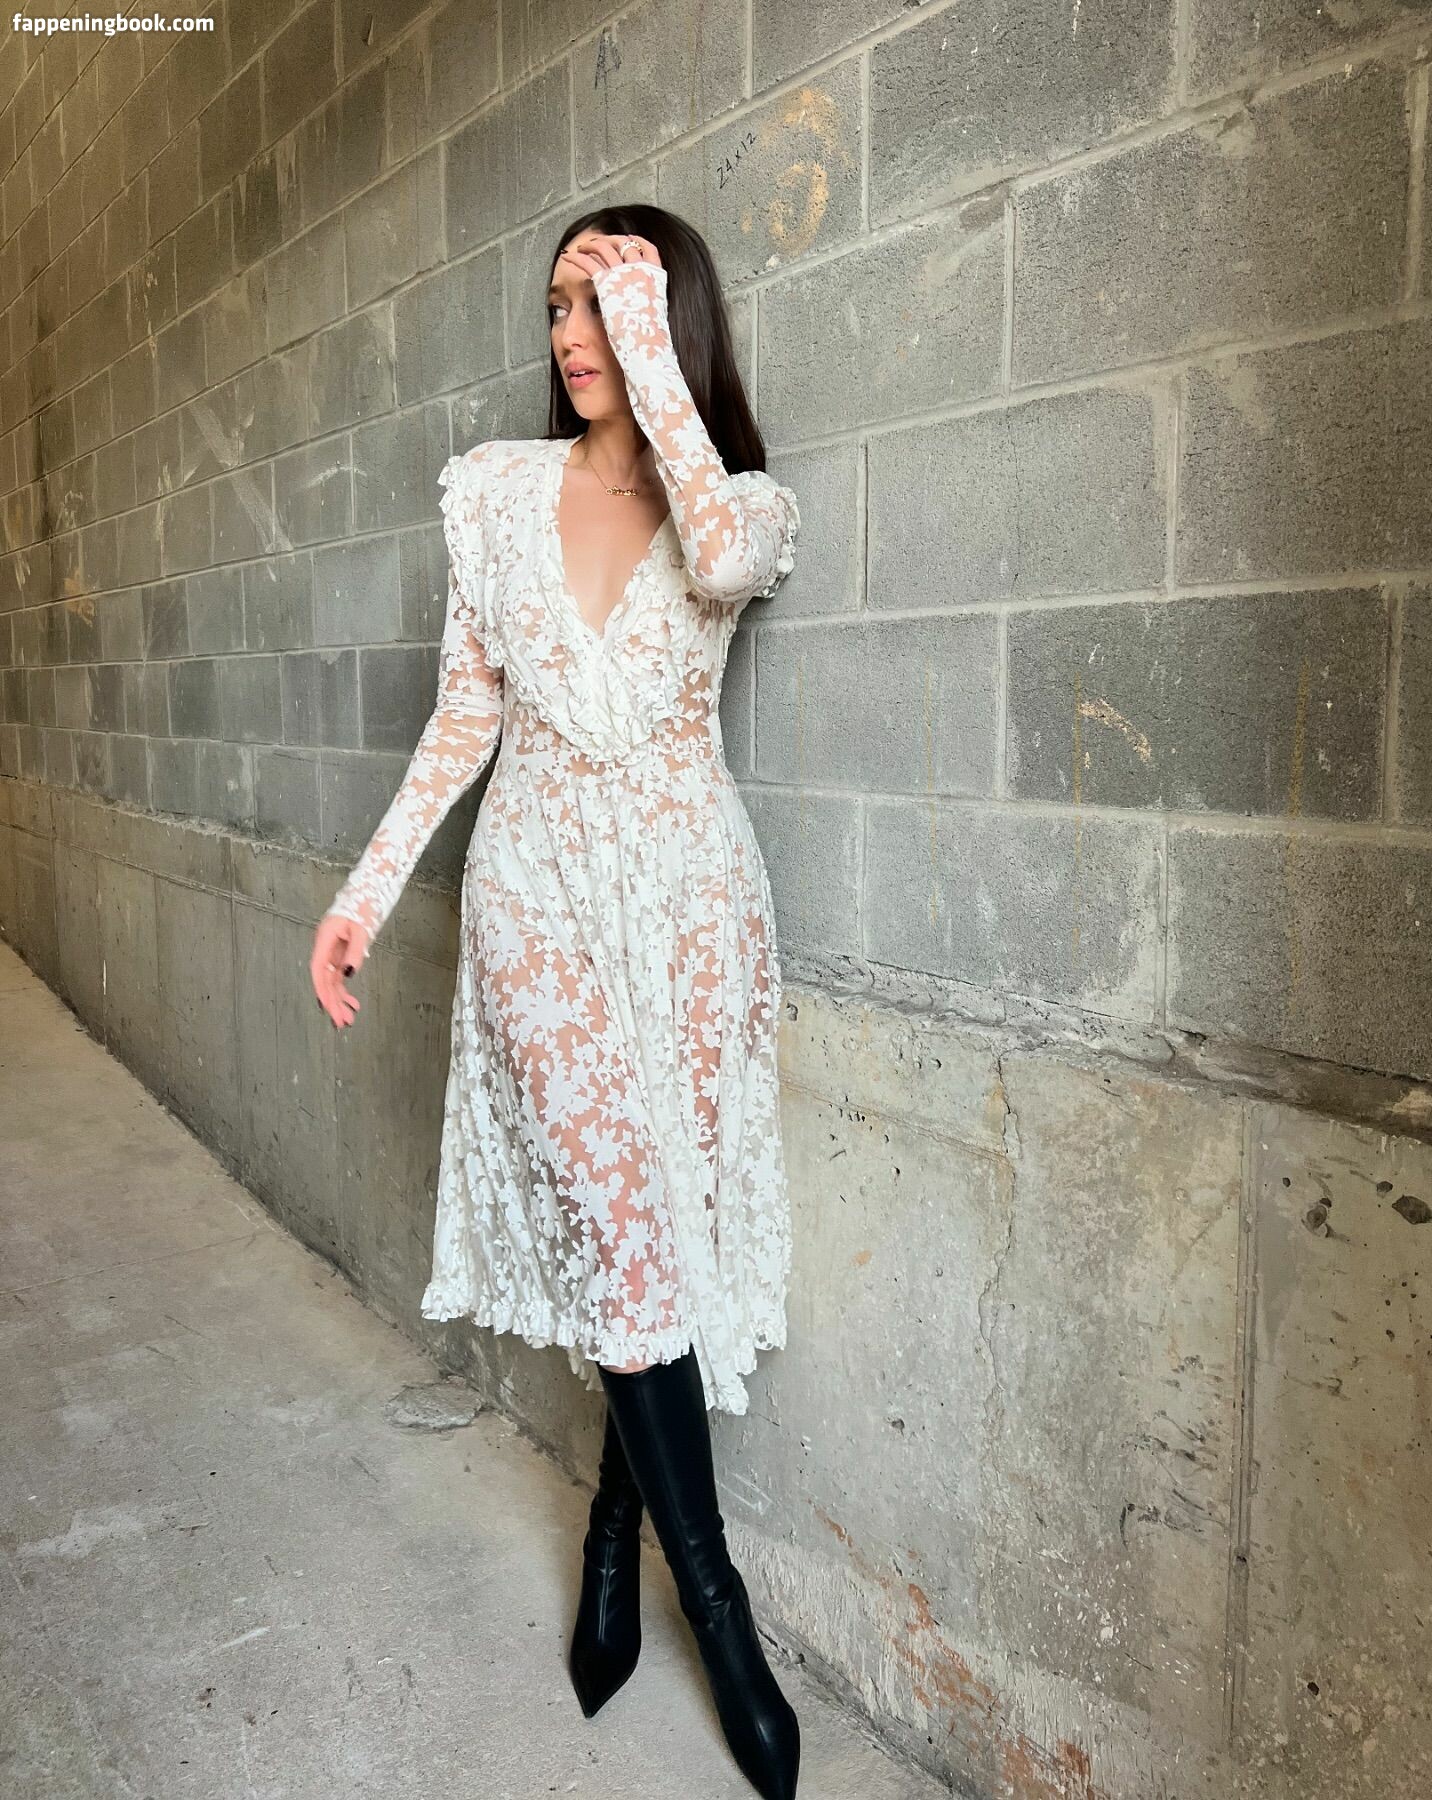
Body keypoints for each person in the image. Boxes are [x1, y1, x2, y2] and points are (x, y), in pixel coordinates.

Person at [308, 206, 802, 1799]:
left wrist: (658, 366)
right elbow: (467, 715)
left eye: (603, 302)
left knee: (655, 1237)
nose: (571, 334)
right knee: (618, 1225)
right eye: (559, 306)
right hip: (533, 900)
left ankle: (611, 1527)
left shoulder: (740, 504)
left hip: (692, 913)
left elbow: (719, 557)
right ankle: (717, 1613)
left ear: (667, 318)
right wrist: (366, 892)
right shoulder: (495, 492)